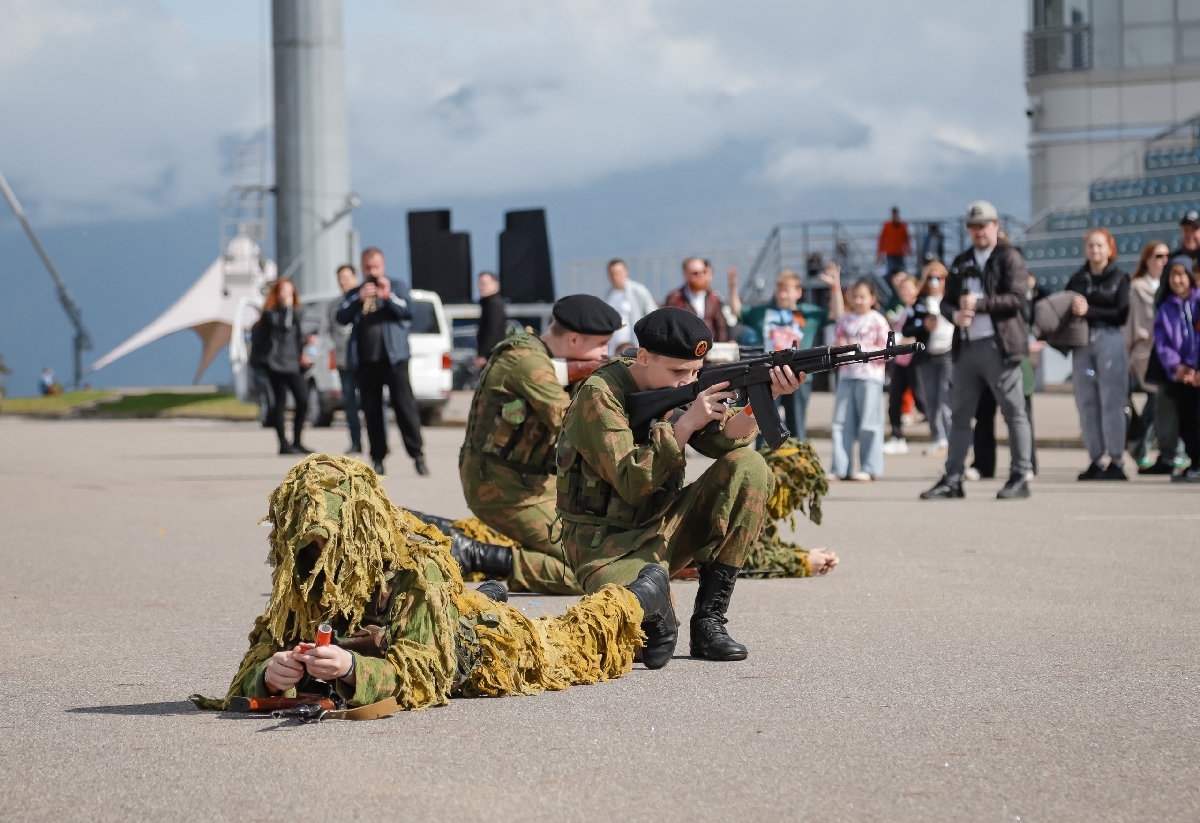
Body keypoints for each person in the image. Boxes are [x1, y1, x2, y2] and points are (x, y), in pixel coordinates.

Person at [190, 455, 680, 716]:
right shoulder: (303, 572)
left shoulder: (414, 569)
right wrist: (270, 675)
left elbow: (425, 673)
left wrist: (352, 669)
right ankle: (475, 599)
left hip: (477, 653)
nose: (316, 554)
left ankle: (646, 594)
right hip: (436, 618)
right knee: (450, 609)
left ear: (358, 530)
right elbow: (258, 658)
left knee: (574, 642)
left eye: (327, 540)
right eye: (305, 541)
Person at [556, 307, 804, 661]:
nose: (685, 382)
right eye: (677, 372)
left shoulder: (679, 387)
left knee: (750, 466)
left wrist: (767, 397)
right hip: (605, 545)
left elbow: (722, 440)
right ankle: (652, 591)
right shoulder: (600, 394)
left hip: (664, 525)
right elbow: (632, 482)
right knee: (642, 642)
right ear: (644, 357)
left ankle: (709, 622)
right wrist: (685, 424)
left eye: (695, 372)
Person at [457, 294, 623, 595]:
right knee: (593, 573)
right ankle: (481, 556)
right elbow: (572, 424)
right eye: (601, 345)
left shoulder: (544, 358)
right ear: (573, 339)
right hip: (500, 487)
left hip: (536, 482)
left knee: (614, 547)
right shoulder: (527, 362)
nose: (604, 353)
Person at [921, 200, 1033, 501]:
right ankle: (952, 478)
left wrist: (979, 305)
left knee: (1014, 412)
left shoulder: (1010, 257)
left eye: (983, 225)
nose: (978, 231)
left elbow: (1018, 298)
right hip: (966, 347)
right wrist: (955, 314)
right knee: (960, 415)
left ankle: (1020, 475)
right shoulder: (961, 260)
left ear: (995, 225)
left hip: (1000, 346)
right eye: (973, 226)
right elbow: (947, 302)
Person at [335, 247, 427, 477]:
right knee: (372, 412)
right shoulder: (356, 292)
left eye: (376, 267)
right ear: (362, 268)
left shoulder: (397, 286)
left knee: (405, 409)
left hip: (394, 360)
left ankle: (417, 455)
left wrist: (387, 296)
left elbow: (408, 312)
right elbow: (341, 317)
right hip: (366, 362)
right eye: (368, 267)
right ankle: (377, 458)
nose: (372, 272)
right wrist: (359, 298)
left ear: (383, 266)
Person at [727, 262, 844, 441]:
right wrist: (733, 286)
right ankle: (764, 456)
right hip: (767, 376)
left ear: (798, 292)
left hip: (800, 377)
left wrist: (835, 286)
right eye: (780, 290)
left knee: (797, 426)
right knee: (762, 425)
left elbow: (836, 314)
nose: (782, 295)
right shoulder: (762, 312)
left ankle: (796, 456)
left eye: (787, 291)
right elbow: (737, 310)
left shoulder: (808, 313)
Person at [1065, 228, 1131, 480]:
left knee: (1112, 399)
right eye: (1091, 245)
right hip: (1082, 341)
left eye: (1100, 245)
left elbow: (1121, 314)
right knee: (1086, 400)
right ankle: (1095, 458)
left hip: (1110, 337)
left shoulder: (1120, 278)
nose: (1095, 250)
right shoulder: (1077, 279)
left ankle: (1116, 459)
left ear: (1109, 248)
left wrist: (1089, 310)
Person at [829, 279, 891, 480]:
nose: (858, 301)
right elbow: (834, 346)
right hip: (847, 375)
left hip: (870, 377)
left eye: (862, 297)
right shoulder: (845, 320)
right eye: (855, 296)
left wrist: (860, 347)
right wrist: (839, 347)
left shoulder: (878, 320)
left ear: (872, 298)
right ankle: (840, 468)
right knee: (841, 423)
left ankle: (869, 467)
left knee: (869, 423)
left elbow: (887, 351)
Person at [251, 278, 314, 456]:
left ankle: (297, 441)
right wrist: (287, 308)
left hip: (294, 363)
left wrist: (304, 351)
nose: (287, 295)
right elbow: (283, 325)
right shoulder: (271, 314)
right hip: (276, 363)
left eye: (290, 291)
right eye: (283, 292)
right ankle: (283, 444)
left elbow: (299, 334)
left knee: (303, 400)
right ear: (277, 294)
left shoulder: (297, 313)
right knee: (280, 402)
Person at [1154, 256, 1200, 482]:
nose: (1177, 280)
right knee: (1184, 422)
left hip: (1196, 372)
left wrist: (1193, 365)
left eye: (1182, 274)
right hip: (1180, 376)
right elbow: (1162, 343)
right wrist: (1177, 367)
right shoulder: (1166, 308)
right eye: (1173, 275)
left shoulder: (1198, 302)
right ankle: (1194, 461)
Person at [1125, 242, 1171, 468]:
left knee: (1162, 400)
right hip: (1144, 351)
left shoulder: (1171, 284)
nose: (1164, 260)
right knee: (1156, 399)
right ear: (1147, 260)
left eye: (1166, 256)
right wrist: (1128, 355)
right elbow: (1129, 323)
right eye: (1158, 256)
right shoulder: (1136, 287)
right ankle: (1139, 444)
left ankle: (1144, 445)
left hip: (1167, 351)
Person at [904, 261, 954, 455]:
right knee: (930, 400)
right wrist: (924, 326)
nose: (935, 282)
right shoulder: (920, 302)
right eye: (931, 278)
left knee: (945, 399)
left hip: (948, 353)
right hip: (927, 356)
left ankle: (950, 439)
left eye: (939, 278)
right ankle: (938, 438)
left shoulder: (951, 299)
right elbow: (907, 328)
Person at [883, 273, 923, 454]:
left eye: (908, 288)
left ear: (917, 289)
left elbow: (919, 331)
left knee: (922, 399)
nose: (904, 292)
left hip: (916, 360)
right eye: (902, 289)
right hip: (901, 360)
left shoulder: (921, 307)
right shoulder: (903, 310)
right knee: (895, 399)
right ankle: (896, 436)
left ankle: (943, 435)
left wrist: (909, 337)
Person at [328, 265, 362, 454]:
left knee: (374, 402)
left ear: (355, 278)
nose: (343, 282)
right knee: (350, 403)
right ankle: (356, 442)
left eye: (347, 277)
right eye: (340, 278)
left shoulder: (365, 299)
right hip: (344, 361)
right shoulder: (335, 305)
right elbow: (331, 331)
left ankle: (380, 442)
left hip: (365, 360)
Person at [663, 257, 729, 342]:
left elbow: (721, 327)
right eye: (695, 273)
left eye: (703, 272)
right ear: (685, 274)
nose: (700, 276)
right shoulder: (676, 298)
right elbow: (668, 326)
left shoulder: (713, 298)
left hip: (711, 346)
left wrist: (721, 345)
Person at [604, 259, 657, 356]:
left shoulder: (638, 291)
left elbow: (653, 315)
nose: (615, 277)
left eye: (618, 273)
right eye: (612, 274)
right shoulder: (609, 294)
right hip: (612, 349)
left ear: (626, 272)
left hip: (634, 347)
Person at [475, 272, 507, 369]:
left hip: (493, 356)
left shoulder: (493, 305)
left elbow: (492, 331)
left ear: (495, 284)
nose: (481, 287)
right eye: (480, 283)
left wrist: (483, 354)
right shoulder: (488, 303)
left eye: (485, 283)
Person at [877, 207, 912, 277]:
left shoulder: (902, 226)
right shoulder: (887, 226)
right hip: (890, 253)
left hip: (900, 253)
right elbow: (882, 240)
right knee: (891, 272)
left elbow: (906, 239)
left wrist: (909, 250)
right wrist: (880, 252)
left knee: (902, 271)